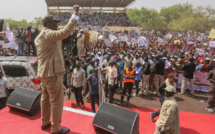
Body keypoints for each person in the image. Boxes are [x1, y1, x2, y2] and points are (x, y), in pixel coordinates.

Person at [34, 5, 80, 134]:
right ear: (48, 24)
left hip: (44, 72)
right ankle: (56, 128)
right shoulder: (48, 33)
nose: (57, 25)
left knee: (45, 98)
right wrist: (74, 14)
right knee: (56, 100)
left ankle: (45, 122)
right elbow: (64, 32)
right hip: (52, 73)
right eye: (54, 23)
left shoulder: (41, 35)